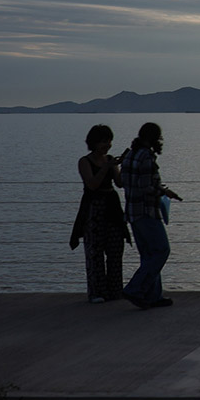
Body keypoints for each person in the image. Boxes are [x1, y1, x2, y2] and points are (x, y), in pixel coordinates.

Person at [121, 122, 181, 309]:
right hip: (147, 211)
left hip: (132, 212)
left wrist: (163, 190)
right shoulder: (146, 156)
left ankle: (153, 296)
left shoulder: (130, 154)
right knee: (162, 250)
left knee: (148, 255)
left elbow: (124, 183)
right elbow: (146, 187)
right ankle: (135, 288)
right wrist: (162, 192)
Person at [70, 124, 130, 303]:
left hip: (111, 207)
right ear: (94, 142)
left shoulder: (110, 159)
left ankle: (114, 290)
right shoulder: (84, 161)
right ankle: (97, 292)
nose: (107, 145)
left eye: (109, 141)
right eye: (104, 142)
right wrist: (107, 167)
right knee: (94, 251)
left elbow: (119, 183)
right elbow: (92, 184)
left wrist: (123, 165)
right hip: (93, 209)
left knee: (115, 250)